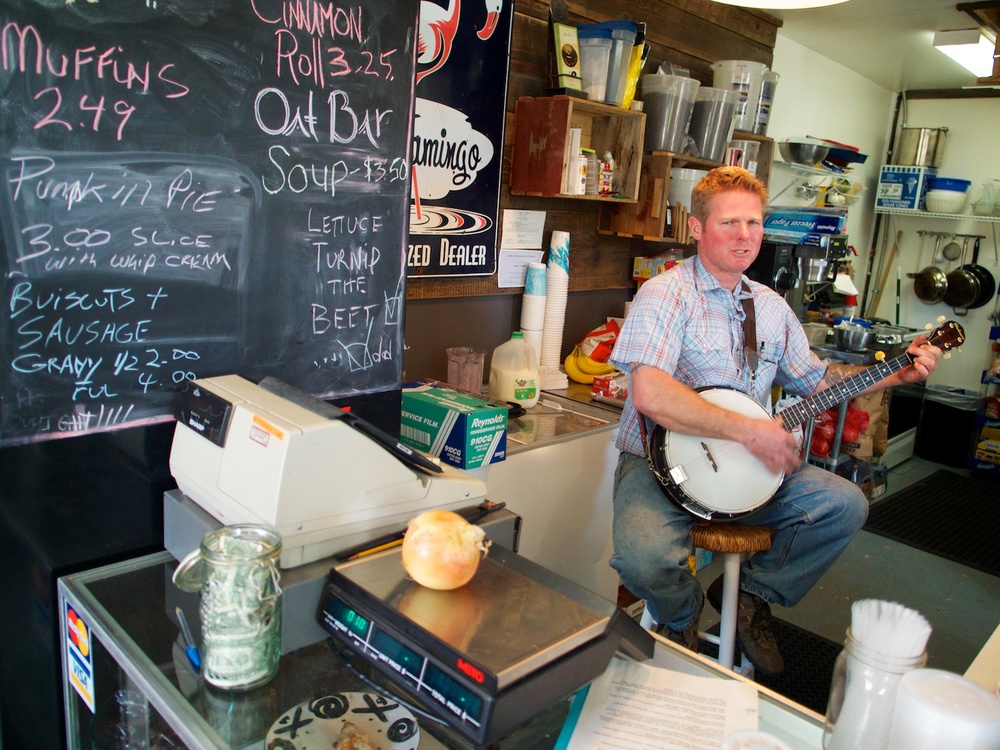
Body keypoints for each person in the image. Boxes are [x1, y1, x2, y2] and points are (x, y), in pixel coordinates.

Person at [608, 166, 941, 675]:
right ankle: (681, 614)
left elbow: (818, 380)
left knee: (843, 504)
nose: (745, 236)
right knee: (642, 557)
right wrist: (751, 430)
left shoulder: (771, 307)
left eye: (754, 223)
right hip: (658, 468)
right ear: (696, 229)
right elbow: (650, 393)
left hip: (753, 470)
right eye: (729, 223)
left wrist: (895, 374)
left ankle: (752, 596)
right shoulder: (666, 295)